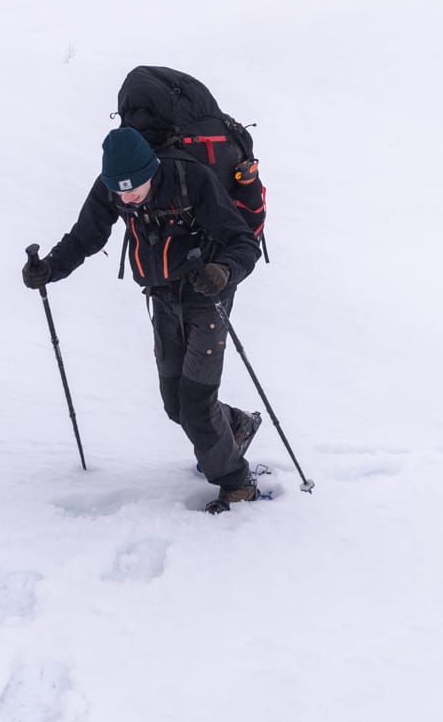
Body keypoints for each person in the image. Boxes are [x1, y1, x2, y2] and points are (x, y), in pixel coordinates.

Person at [23, 126, 265, 510]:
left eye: (134, 187)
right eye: (119, 190)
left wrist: (222, 272)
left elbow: (243, 242)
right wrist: (50, 268)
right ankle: (236, 425)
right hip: (163, 295)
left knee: (196, 404)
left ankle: (237, 483)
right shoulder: (112, 189)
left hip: (207, 294)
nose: (126, 196)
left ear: (152, 169)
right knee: (175, 404)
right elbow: (86, 236)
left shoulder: (192, 179)